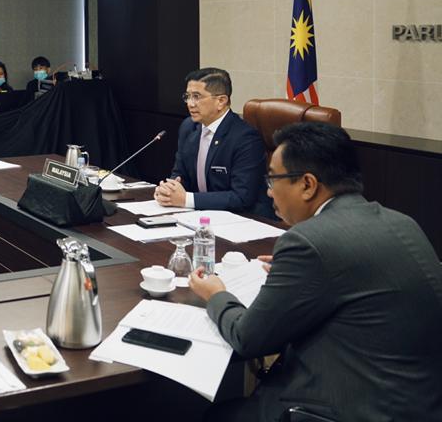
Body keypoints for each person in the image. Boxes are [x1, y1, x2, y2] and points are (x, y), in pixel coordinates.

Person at [189, 122, 442, 422]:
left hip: (346, 408)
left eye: (272, 179)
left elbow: (248, 338)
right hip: (417, 404)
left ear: (308, 184)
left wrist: (216, 294)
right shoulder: (403, 222)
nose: (268, 192)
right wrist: (296, 274)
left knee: (214, 415)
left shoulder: (308, 242)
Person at [154, 67, 267, 215]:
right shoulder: (189, 127)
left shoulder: (245, 138)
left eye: (197, 97)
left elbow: (241, 197)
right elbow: (179, 174)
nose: (190, 103)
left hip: (242, 220)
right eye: (187, 96)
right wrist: (168, 191)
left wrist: (186, 199)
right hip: (200, 216)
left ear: (221, 101)